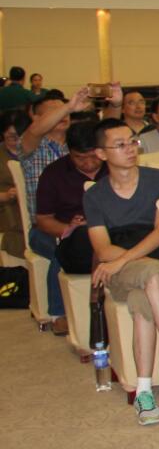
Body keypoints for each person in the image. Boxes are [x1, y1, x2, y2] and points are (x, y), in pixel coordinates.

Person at [85, 118, 159, 425]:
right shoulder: (94, 195)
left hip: (148, 268)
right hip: (123, 273)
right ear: (101, 153)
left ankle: (144, 392)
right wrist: (128, 264)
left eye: (132, 141)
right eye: (120, 144)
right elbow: (103, 249)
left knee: (144, 293)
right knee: (152, 273)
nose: (130, 149)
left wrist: (124, 260)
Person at [34, 120, 108, 333]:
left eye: (93, 156)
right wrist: (68, 229)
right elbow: (43, 219)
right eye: (80, 158)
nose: (88, 164)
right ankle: (59, 313)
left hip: (106, 230)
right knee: (63, 251)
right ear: (69, 152)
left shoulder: (113, 167)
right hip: (61, 230)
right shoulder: (54, 173)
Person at [0, 110, 29, 258]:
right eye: (11, 137)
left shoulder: (35, 151)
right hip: (8, 211)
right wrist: (6, 195)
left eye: (20, 136)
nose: (16, 141)